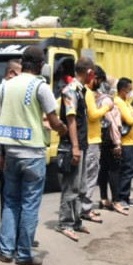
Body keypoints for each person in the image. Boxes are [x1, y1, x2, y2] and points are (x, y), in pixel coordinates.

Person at [0, 46, 66, 265]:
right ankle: (24, 254)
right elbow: (54, 121)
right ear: (41, 65)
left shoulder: (4, 87)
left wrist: (1, 153)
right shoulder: (40, 87)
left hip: (11, 153)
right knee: (30, 204)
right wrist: (63, 130)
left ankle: (5, 251)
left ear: (22, 63)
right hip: (33, 154)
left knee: (10, 203)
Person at [57, 57, 95, 242]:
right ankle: (65, 223)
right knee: (71, 186)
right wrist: (75, 147)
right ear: (89, 72)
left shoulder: (81, 91)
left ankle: (76, 220)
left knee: (81, 186)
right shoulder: (70, 91)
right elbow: (71, 120)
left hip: (81, 144)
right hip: (73, 146)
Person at [0, 58, 22, 219]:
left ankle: (17, 233)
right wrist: (1, 153)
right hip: (5, 151)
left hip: (16, 149)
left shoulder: (13, 90)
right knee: (8, 194)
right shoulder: (1, 91)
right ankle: (8, 233)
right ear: (11, 73)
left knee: (18, 193)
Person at [81, 66, 112, 223]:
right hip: (91, 139)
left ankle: (81, 207)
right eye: (98, 80)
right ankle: (86, 209)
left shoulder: (76, 90)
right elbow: (93, 116)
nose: (99, 84)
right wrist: (107, 107)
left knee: (84, 176)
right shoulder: (87, 92)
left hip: (85, 139)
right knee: (91, 175)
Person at [95, 72, 128, 215]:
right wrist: (117, 144)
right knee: (114, 170)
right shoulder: (108, 102)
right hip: (110, 140)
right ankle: (116, 201)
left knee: (103, 169)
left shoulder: (97, 100)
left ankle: (104, 198)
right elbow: (113, 125)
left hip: (101, 140)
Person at [112, 77, 133, 210]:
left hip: (131, 141)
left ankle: (126, 197)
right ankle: (122, 197)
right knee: (126, 170)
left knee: (130, 170)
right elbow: (130, 119)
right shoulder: (118, 102)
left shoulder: (126, 102)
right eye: (130, 89)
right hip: (125, 142)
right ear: (123, 90)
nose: (131, 92)